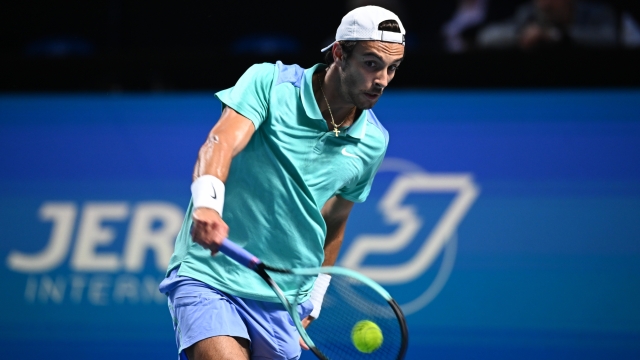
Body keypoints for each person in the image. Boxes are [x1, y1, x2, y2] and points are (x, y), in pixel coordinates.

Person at [158, 5, 405, 360]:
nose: (382, 79)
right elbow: (221, 142)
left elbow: (334, 222)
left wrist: (314, 297)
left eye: (392, 68)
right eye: (371, 63)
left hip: (284, 298)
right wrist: (208, 206)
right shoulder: (270, 84)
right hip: (212, 273)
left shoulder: (373, 142)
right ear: (339, 53)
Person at [477, 0, 619, 50]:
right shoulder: (528, 13)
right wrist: (521, 35)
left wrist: (558, 36)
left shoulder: (594, 12)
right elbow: (486, 37)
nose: (546, 4)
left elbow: (611, 37)